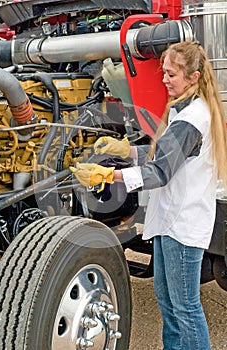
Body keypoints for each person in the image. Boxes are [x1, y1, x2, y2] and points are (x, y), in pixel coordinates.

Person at [71, 41, 227, 349]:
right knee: (168, 303)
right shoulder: (185, 109)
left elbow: (159, 172)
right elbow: (166, 154)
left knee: (185, 308)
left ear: (193, 77)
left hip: (182, 226)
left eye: (172, 74)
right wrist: (126, 149)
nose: (165, 80)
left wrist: (109, 175)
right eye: (164, 72)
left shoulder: (190, 119)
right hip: (173, 221)